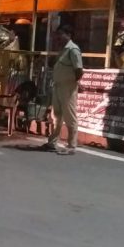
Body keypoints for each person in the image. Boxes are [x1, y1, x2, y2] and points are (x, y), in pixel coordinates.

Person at [39, 25, 83, 155]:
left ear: (68, 34)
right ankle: (52, 142)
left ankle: (71, 145)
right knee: (56, 115)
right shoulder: (63, 50)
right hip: (58, 86)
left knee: (70, 115)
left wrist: (73, 82)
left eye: (60, 34)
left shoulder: (73, 49)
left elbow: (79, 70)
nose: (58, 37)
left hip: (68, 87)